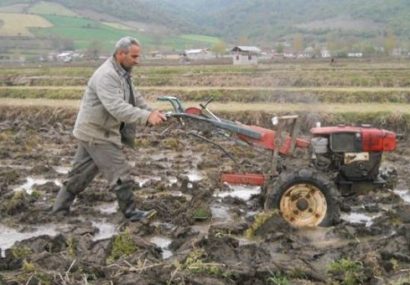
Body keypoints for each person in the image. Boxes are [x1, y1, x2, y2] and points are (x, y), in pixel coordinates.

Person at [52, 36, 166, 221]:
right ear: (121, 54)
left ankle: (58, 211)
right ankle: (130, 214)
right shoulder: (107, 75)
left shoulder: (121, 72)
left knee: (79, 175)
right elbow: (116, 107)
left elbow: (133, 97)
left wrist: (151, 111)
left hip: (92, 131)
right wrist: (146, 117)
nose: (137, 61)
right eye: (134, 57)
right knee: (119, 172)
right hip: (97, 133)